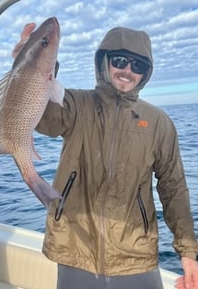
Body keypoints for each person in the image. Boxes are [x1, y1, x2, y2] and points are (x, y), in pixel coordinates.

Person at [12, 23, 198, 289]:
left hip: (136, 255)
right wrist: (28, 66)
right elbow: (44, 119)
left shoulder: (159, 123)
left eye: (138, 66)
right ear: (105, 61)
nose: (127, 71)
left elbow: (174, 188)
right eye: (120, 61)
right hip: (75, 247)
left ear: (146, 73)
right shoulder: (75, 104)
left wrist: (188, 252)